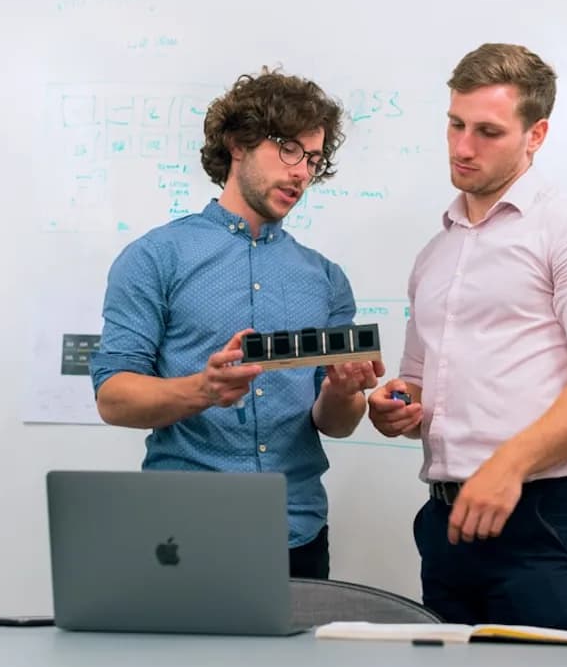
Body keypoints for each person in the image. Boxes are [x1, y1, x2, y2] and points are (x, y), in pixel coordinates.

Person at [367, 43, 567, 631]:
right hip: (446, 522)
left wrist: (508, 465)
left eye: (488, 131)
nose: (463, 146)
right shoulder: (436, 252)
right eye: (455, 124)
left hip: (542, 522)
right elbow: (419, 384)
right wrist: (398, 404)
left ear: (536, 134)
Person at [91, 68, 383, 579]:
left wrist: (343, 392)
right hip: (181, 534)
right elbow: (114, 397)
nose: (302, 173)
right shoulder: (155, 258)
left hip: (299, 534)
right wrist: (204, 389)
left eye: (313, 159)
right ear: (239, 143)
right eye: (289, 149)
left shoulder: (325, 278)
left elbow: (335, 423)